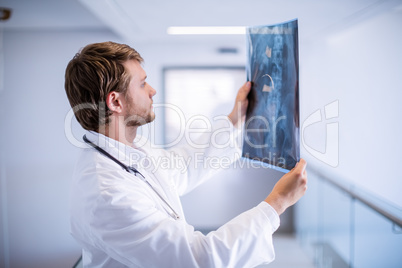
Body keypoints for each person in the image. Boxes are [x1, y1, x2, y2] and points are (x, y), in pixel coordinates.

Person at [64, 41, 307, 268]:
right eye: (142, 83)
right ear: (115, 102)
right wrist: (277, 202)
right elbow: (200, 259)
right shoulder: (106, 194)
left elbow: (182, 167)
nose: (153, 90)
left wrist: (235, 118)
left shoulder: (128, 149)